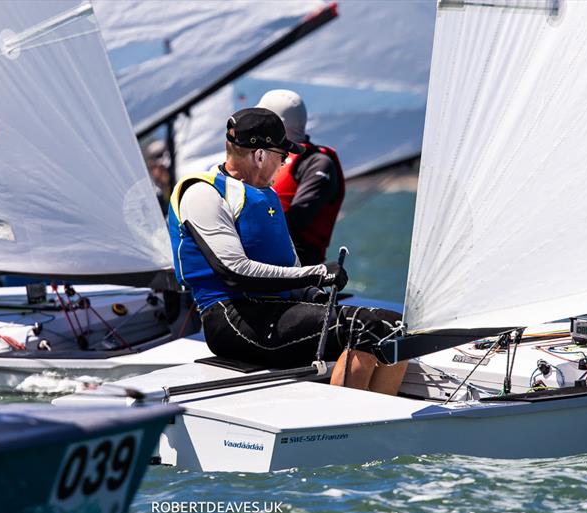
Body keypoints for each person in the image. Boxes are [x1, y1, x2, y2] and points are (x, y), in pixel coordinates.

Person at [167, 107, 407, 395]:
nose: (284, 164)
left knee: (393, 326)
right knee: (364, 328)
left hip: (274, 312)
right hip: (231, 318)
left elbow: (290, 270)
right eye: (282, 156)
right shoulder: (203, 193)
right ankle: (343, 427)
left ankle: (375, 426)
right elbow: (234, 272)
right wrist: (316, 273)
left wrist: (316, 295)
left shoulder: (265, 196)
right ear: (260, 155)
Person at [258, 89, 344, 266]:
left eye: (261, 118)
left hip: (296, 264)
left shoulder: (317, 163)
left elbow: (298, 220)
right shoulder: (261, 156)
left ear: (277, 124)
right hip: (257, 256)